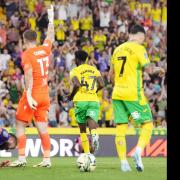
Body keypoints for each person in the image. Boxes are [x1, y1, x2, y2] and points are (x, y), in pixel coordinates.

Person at [109, 24, 165, 172]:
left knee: (121, 127)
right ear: (140, 35)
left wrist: (121, 85)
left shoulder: (116, 50)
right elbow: (149, 69)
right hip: (133, 94)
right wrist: (158, 69)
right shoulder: (139, 48)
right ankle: (138, 151)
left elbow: (110, 76)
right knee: (148, 123)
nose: (143, 40)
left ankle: (123, 163)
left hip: (117, 93)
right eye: (144, 37)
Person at [9, 5, 54, 167]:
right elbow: (50, 37)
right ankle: (47, 160)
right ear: (36, 39)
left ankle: (21, 158)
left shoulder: (27, 54)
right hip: (44, 95)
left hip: (33, 94)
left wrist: (27, 94)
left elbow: (28, 74)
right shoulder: (44, 49)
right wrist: (52, 19)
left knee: (20, 124)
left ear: (24, 41)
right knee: (42, 127)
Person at [65, 50, 104, 154]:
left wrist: (71, 96)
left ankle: (87, 153)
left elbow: (77, 85)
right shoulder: (94, 69)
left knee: (83, 130)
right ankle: (95, 135)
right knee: (92, 123)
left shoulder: (75, 71)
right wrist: (95, 91)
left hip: (81, 100)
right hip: (93, 100)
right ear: (86, 59)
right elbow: (102, 84)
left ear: (77, 59)